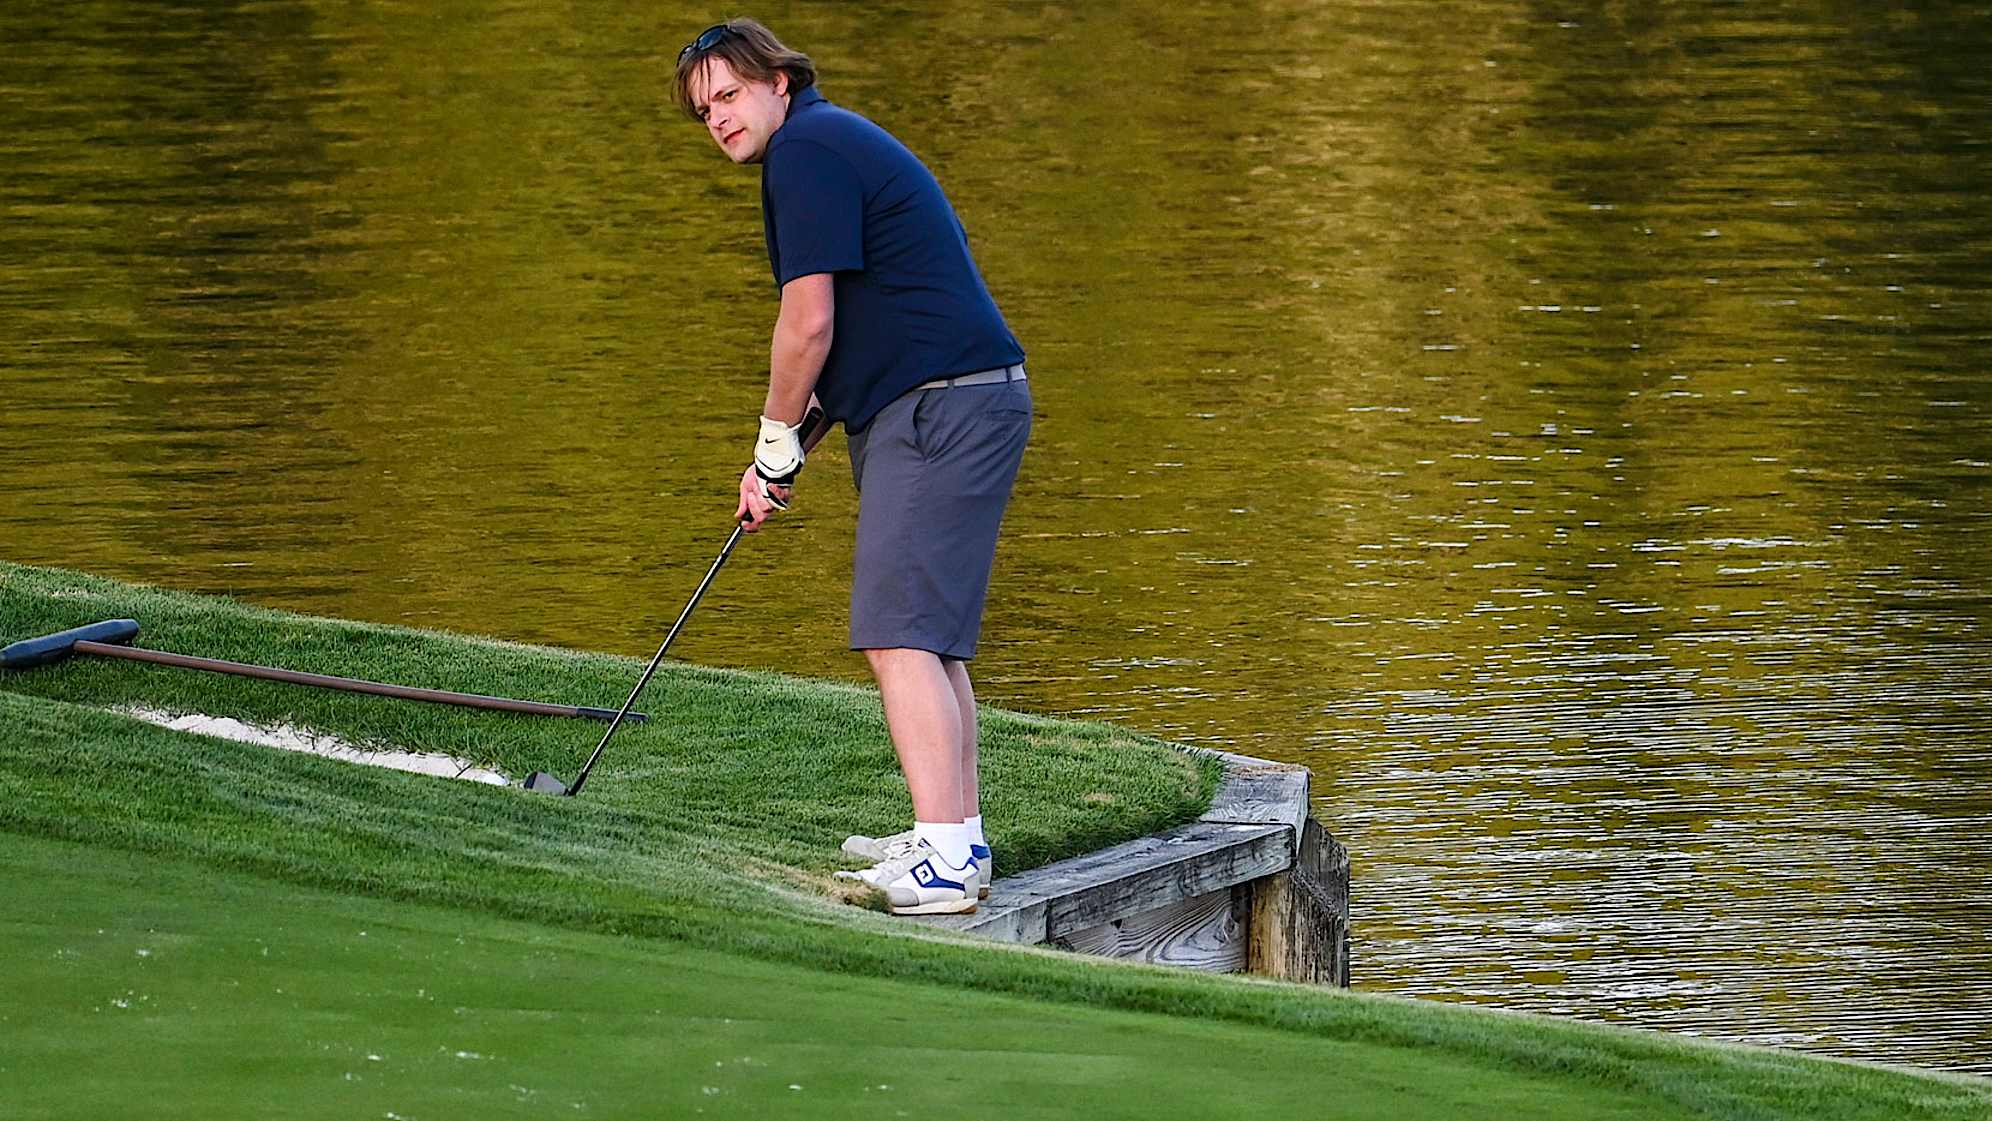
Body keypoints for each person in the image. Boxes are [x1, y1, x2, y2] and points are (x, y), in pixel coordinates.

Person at [674, 19, 1032, 915]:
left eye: (729, 94)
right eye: (703, 108)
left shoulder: (807, 153)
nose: (718, 117)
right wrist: (787, 455)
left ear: (777, 83)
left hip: (941, 406)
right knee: (931, 638)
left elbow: (809, 325)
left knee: (899, 632)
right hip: (948, 398)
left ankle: (944, 862)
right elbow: (861, 336)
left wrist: (768, 436)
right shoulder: (826, 145)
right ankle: (957, 836)